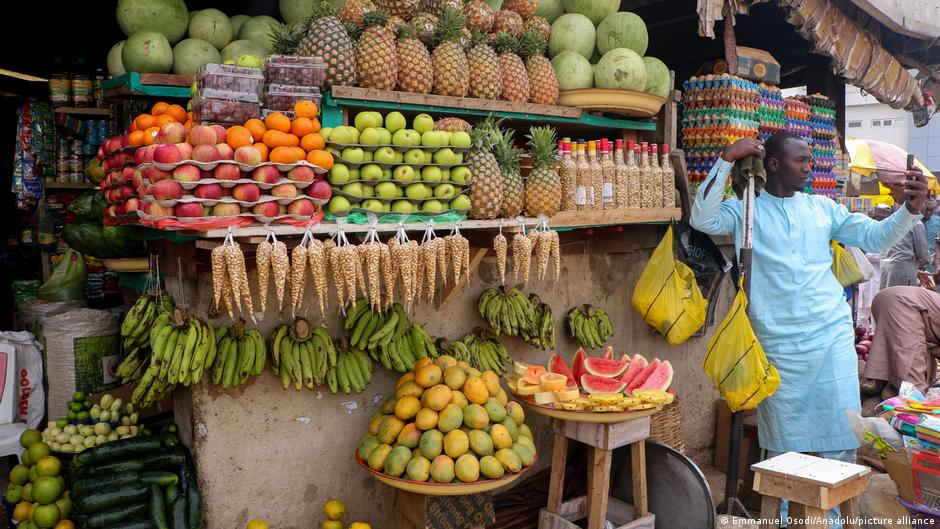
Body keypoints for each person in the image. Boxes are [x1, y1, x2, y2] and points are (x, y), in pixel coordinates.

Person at [691, 132, 928, 526]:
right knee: (785, 448)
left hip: (830, 337)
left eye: (809, 160)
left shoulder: (822, 208)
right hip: (777, 345)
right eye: (800, 161)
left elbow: (875, 236)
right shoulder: (746, 210)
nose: (808, 168)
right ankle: (789, 519)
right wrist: (727, 158)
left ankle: (833, 519)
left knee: (840, 433)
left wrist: (909, 209)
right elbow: (701, 218)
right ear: (773, 165)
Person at [863, 286, 940, 393]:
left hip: (892, 300)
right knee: (913, 384)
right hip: (902, 304)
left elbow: (934, 348)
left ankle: (891, 387)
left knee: (909, 365)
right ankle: (912, 399)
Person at [880, 206, 929, 288]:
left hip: (885, 267)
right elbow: (922, 253)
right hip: (902, 269)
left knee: (887, 295)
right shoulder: (916, 223)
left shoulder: (891, 220)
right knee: (903, 295)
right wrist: (929, 260)